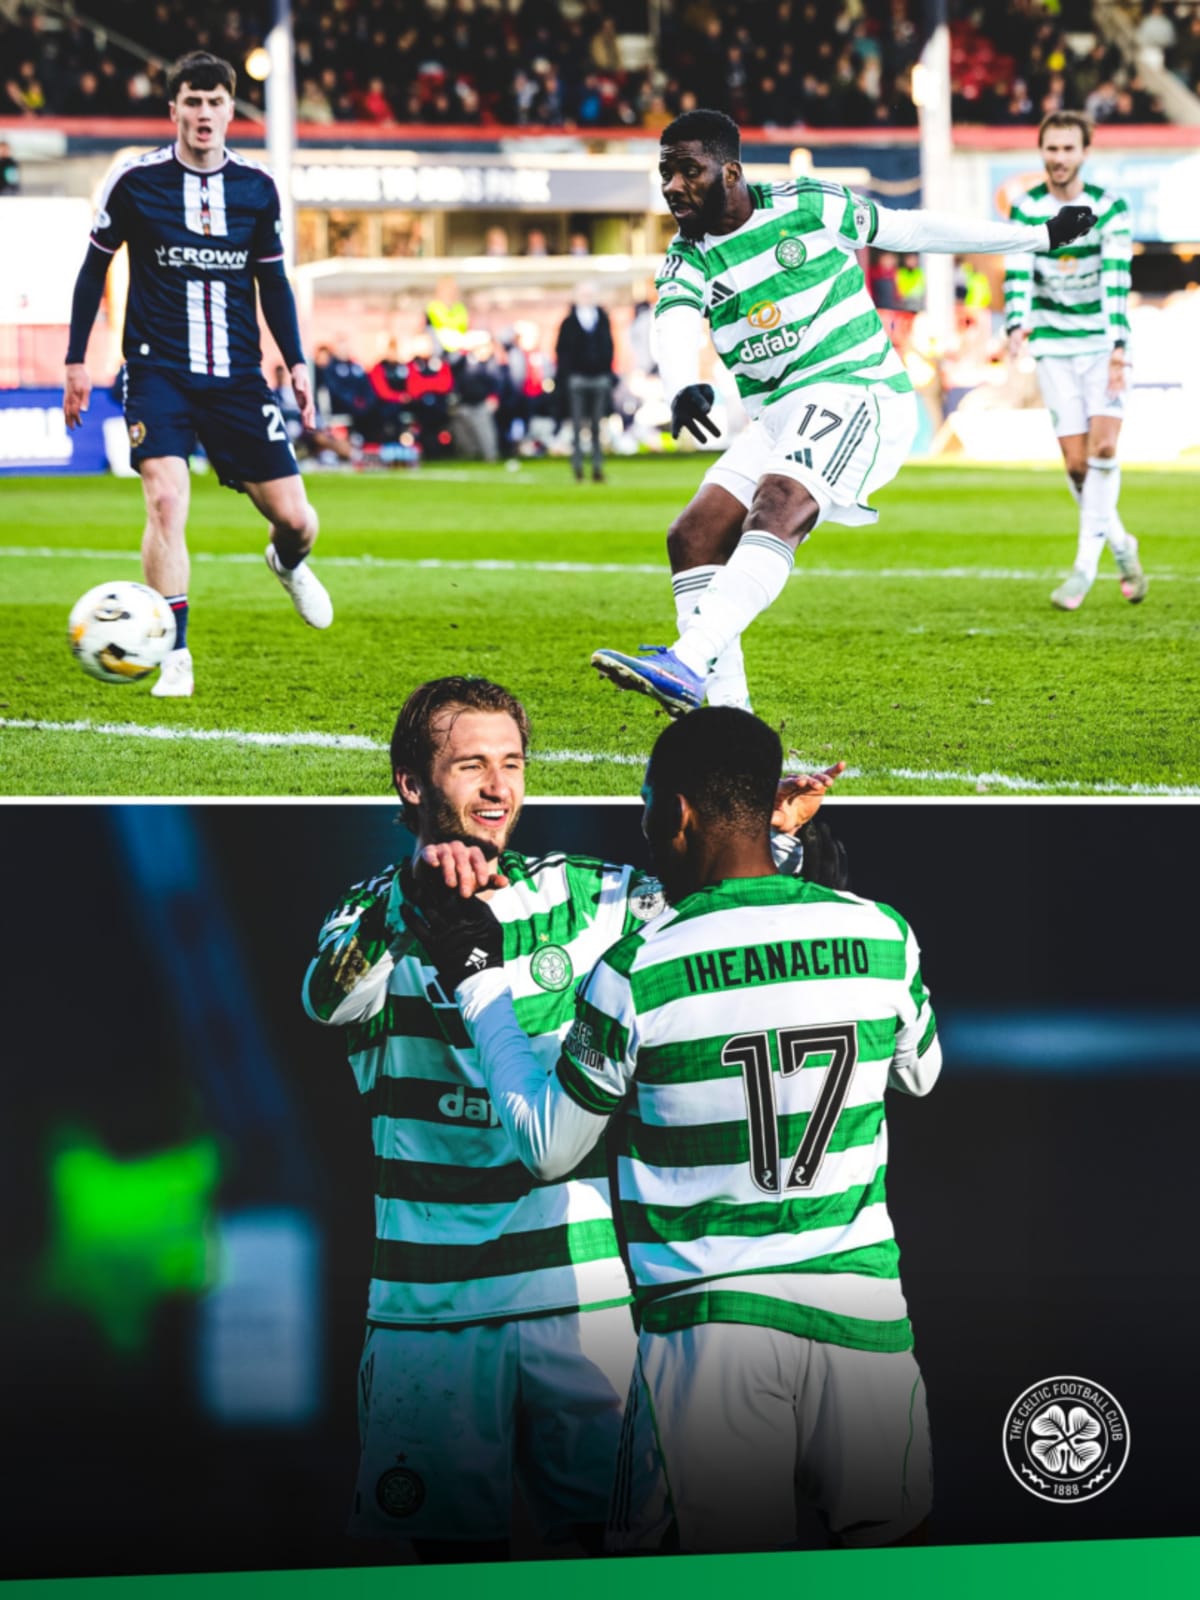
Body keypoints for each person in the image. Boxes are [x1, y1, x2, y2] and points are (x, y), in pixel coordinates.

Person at [301, 676, 842, 1562]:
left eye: (511, 764)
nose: (498, 787)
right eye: (470, 764)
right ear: (410, 783)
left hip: (583, 1299)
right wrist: (416, 896)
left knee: (613, 1552)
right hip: (428, 1317)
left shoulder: (589, 899)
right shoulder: (370, 913)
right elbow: (328, 1000)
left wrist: (773, 838)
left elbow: (710, 911)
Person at [407, 706, 940, 1554]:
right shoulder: (880, 933)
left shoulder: (639, 968)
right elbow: (921, 1071)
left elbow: (548, 1149)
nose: (646, 824)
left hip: (709, 1333)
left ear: (678, 813)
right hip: (866, 1317)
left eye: (649, 804)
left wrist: (478, 984)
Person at [589, 108, 1097, 717]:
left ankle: (689, 659)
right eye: (665, 173)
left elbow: (910, 229)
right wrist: (680, 384)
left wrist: (1036, 237)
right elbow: (672, 319)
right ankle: (728, 721)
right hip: (780, 413)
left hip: (859, 391)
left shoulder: (806, 203)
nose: (672, 187)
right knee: (692, 537)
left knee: (778, 503)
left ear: (731, 171)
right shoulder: (688, 256)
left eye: (688, 171)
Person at [62, 50, 331, 699]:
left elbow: (274, 281)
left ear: (230, 110)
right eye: (193, 100)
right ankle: (175, 655)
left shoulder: (256, 189)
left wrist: (295, 361)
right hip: (158, 373)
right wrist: (76, 358)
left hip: (238, 379)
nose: (204, 113)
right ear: (174, 109)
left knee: (298, 520)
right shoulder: (135, 182)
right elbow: (93, 269)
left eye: (216, 101)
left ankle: (285, 562)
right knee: (164, 499)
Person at [1004, 111, 1146, 611]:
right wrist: (1016, 321)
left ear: (1085, 152)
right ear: (1041, 151)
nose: (1059, 158)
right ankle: (1123, 546)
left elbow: (1115, 279)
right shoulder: (1026, 208)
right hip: (1055, 348)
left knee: (1105, 448)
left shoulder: (1110, 208)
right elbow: (1018, 267)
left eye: (1068, 149)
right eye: (1051, 148)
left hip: (1102, 345)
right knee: (1077, 464)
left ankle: (1083, 570)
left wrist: (1118, 346)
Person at [555, 284, 615, 483]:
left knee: (598, 426)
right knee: (577, 425)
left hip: (599, 377)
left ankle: (597, 467)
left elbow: (610, 346)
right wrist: (567, 375)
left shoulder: (603, 319)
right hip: (577, 378)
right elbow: (561, 351)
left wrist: (606, 371)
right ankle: (578, 467)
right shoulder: (569, 322)